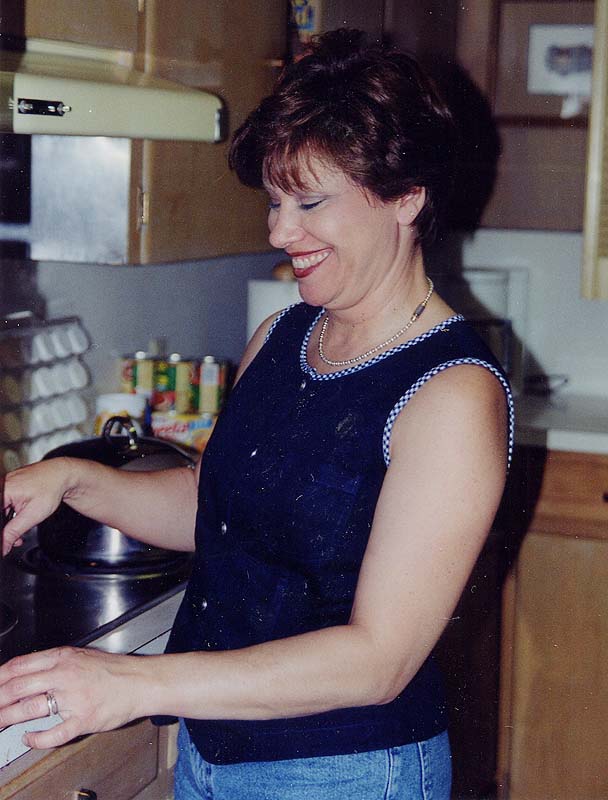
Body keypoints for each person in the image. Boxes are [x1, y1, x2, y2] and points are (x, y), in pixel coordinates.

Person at [0, 29, 513, 800]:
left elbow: (379, 661)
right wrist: (73, 481)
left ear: (408, 196)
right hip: (212, 753)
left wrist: (134, 684)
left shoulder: (452, 394)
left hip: (345, 774)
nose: (278, 231)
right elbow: (211, 505)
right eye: (275, 202)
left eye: (310, 202)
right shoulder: (282, 335)